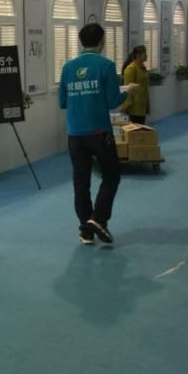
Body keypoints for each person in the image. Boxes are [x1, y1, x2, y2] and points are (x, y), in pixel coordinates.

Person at [58, 23, 136, 245]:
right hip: (100, 133)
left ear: (82, 42)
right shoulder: (106, 65)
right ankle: (98, 218)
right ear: (102, 42)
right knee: (111, 175)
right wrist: (127, 91)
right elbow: (112, 101)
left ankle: (86, 231)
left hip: (75, 134)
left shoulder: (68, 67)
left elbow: (62, 102)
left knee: (81, 182)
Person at [119, 45, 150, 124]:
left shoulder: (142, 67)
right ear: (138, 55)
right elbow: (127, 88)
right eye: (145, 53)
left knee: (141, 127)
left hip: (142, 104)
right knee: (135, 129)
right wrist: (128, 104)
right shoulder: (131, 68)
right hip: (133, 107)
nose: (146, 55)